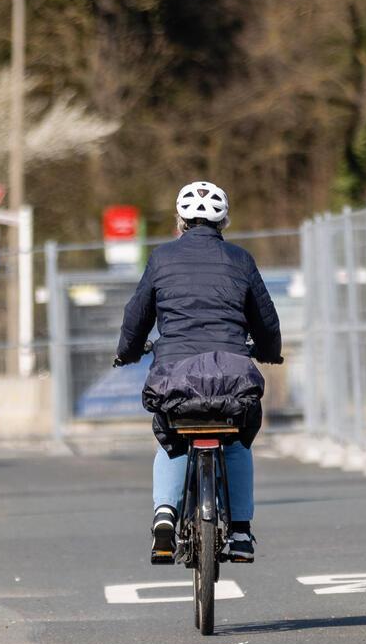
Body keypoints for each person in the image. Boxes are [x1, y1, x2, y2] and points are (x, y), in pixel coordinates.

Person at [113, 180, 283, 563]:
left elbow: (136, 315)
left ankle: (165, 516)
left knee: (171, 436)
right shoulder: (240, 260)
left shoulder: (161, 258)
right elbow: (266, 321)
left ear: (180, 220)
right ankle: (240, 532)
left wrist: (126, 352)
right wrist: (269, 352)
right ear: (224, 222)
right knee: (238, 439)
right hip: (232, 375)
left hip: (174, 375)